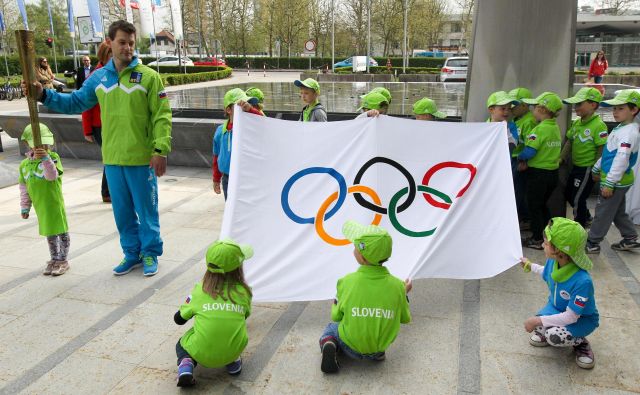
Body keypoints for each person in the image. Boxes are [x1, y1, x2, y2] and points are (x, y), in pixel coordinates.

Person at [25, 20, 172, 277]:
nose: (127, 48)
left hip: (141, 160)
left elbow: (162, 116)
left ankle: (150, 253)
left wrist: (160, 151)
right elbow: (76, 102)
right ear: (109, 43)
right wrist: (43, 95)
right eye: (122, 42)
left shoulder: (149, 77)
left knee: (147, 212)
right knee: (123, 214)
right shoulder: (99, 78)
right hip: (113, 159)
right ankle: (131, 254)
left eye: (131, 43)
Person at [319, 221, 412, 374]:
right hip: (378, 348)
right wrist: (404, 294)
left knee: (331, 328)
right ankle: (377, 354)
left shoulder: (346, 282)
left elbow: (335, 315)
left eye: (355, 246)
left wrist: (337, 303)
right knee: (380, 323)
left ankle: (330, 344)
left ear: (361, 257)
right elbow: (405, 318)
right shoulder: (398, 286)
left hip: (350, 346)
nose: (353, 250)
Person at [521, 217, 598, 369]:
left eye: (546, 243)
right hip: (556, 309)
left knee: (553, 336)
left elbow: (571, 316)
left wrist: (537, 321)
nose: (542, 245)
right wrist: (530, 266)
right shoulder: (554, 261)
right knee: (538, 324)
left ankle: (581, 342)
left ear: (559, 250)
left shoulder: (582, 282)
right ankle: (550, 329)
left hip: (580, 319)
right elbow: (547, 272)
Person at [174, 239, 253, 387]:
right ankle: (233, 361)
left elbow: (179, 319)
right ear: (238, 268)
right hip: (234, 347)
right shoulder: (245, 292)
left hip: (203, 351)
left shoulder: (200, 290)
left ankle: (186, 365)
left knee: (182, 343)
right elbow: (244, 316)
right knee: (231, 332)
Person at [586, 90, 640, 253]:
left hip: (616, 181)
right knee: (616, 211)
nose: (615, 112)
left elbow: (621, 158)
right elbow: (609, 152)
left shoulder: (629, 133)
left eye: (621, 108)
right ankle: (630, 237)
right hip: (617, 180)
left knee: (603, 212)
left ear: (634, 110)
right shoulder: (621, 128)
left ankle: (592, 242)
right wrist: (597, 167)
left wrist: (609, 183)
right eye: (614, 108)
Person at [19, 124, 70, 276]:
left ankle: (63, 260)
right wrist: (25, 207)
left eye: (45, 143)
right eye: (38, 144)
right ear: (28, 144)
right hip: (41, 207)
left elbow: (51, 176)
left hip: (54, 204)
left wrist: (46, 159)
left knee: (61, 232)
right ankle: (54, 258)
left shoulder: (53, 158)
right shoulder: (24, 165)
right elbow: (24, 188)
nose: (43, 146)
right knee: (50, 233)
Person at [518, 92, 563, 249]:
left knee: (534, 206)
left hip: (538, 174)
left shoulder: (539, 130)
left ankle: (537, 239)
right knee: (542, 205)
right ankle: (547, 235)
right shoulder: (555, 128)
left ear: (542, 109)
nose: (532, 111)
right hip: (552, 174)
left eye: (534, 107)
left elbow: (529, 151)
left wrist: (520, 159)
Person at [561, 87, 608, 228]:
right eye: (575, 105)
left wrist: (596, 169)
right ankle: (586, 216)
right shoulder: (576, 123)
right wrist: (561, 158)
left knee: (577, 198)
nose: (576, 108)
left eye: (579, 104)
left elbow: (602, 149)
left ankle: (579, 226)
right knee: (569, 194)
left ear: (593, 105)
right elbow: (570, 142)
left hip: (588, 169)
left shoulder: (599, 125)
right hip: (576, 167)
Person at [212, 88, 263, 200]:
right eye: (241, 105)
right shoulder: (221, 131)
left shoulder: (249, 127)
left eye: (246, 104)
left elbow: (263, 123)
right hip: (228, 178)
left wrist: (250, 110)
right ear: (229, 110)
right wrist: (216, 179)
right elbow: (216, 156)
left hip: (247, 177)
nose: (245, 106)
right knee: (231, 208)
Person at [82, 42, 113, 203]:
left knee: (111, 157)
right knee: (111, 158)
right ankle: (107, 192)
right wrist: (87, 131)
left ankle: (108, 192)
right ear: (104, 56)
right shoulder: (96, 75)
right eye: (111, 55)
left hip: (109, 123)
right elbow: (85, 106)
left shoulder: (113, 72)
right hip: (99, 125)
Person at [509, 87, 538, 229]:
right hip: (512, 159)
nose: (510, 108)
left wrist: (524, 161)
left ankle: (524, 219)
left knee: (518, 190)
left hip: (519, 161)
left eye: (514, 105)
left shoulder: (529, 121)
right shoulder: (515, 119)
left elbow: (530, 144)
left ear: (525, 105)